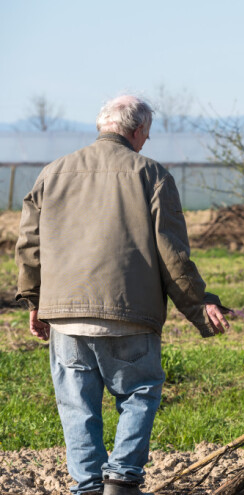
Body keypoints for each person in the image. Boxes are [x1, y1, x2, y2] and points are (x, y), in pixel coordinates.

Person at [15, 95, 230, 495]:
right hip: (129, 312)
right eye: (146, 134)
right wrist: (200, 306)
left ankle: (89, 488)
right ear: (135, 131)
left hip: (65, 316)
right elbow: (172, 253)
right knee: (140, 393)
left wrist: (34, 301)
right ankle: (123, 478)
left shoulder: (53, 172)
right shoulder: (152, 174)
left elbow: (29, 245)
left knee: (77, 408)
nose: (146, 142)